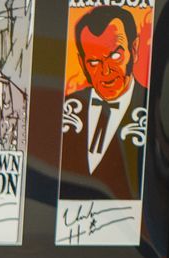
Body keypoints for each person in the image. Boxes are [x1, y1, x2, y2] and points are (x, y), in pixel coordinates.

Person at [57, 4, 149, 202]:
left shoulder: (154, 106)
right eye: (94, 62)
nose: (106, 72)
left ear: (134, 49)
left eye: (115, 56)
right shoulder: (65, 105)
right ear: (82, 63)